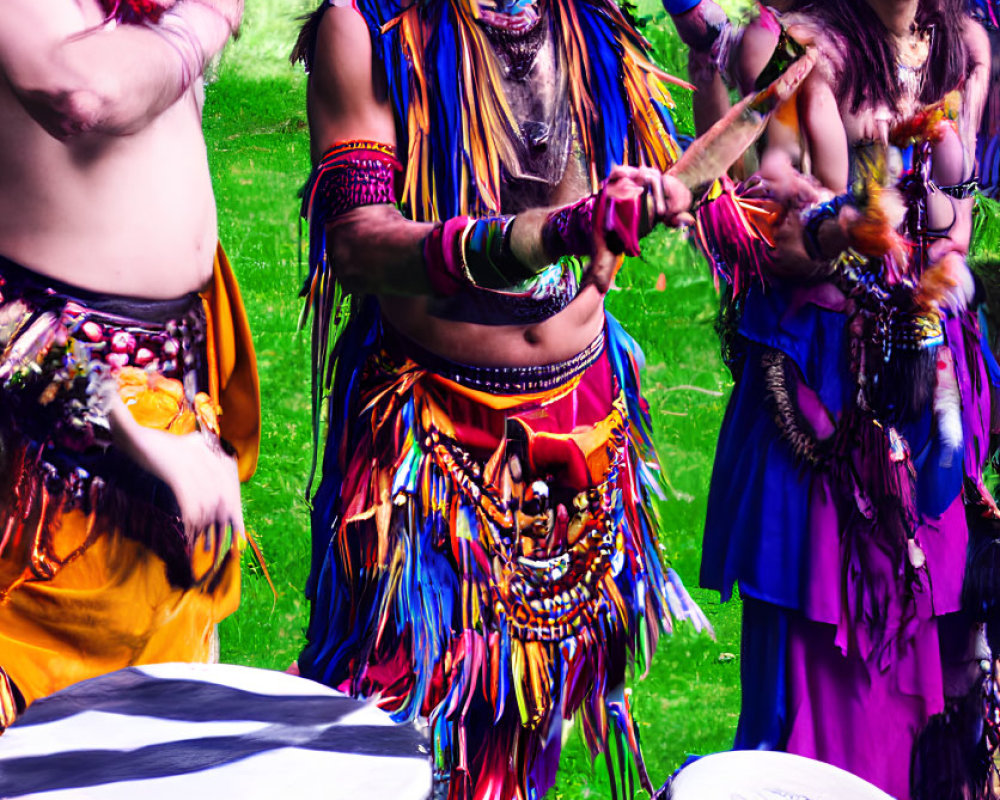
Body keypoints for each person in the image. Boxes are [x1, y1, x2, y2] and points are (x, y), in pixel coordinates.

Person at [286, 0, 778, 795]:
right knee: (388, 727)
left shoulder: (591, 20)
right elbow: (357, 245)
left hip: (582, 423)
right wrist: (549, 233)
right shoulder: (369, 23)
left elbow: (703, 159)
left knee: (529, 718)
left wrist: (663, 180)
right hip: (428, 443)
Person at [694, 1, 994, 798]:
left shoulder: (961, 45)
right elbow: (765, 235)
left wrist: (938, 284)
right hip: (824, 398)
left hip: (930, 389)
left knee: (938, 667)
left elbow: (955, 222)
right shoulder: (791, 45)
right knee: (826, 678)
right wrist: (842, 225)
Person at [0, 0, 260, 734]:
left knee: (152, 744)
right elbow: (82, 93)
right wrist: (204, 23)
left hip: (176, 424)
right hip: (46, 466)